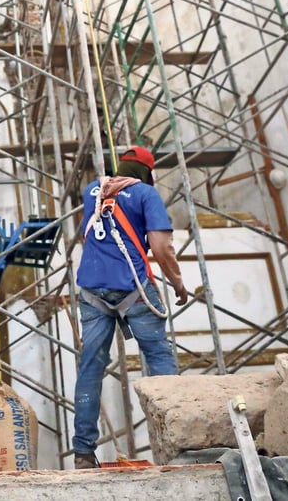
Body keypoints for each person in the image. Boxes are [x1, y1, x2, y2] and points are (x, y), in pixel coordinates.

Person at [71, 146, 189, 469]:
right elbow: (161, 246)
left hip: (92, 291)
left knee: (90, 367)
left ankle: (82, 453)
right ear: (147, 173)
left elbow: (86, 236)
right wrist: (178, 284)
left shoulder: (92, 191)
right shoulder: (145, 194)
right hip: (133, 288)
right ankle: (181, 442)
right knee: (159, 356)